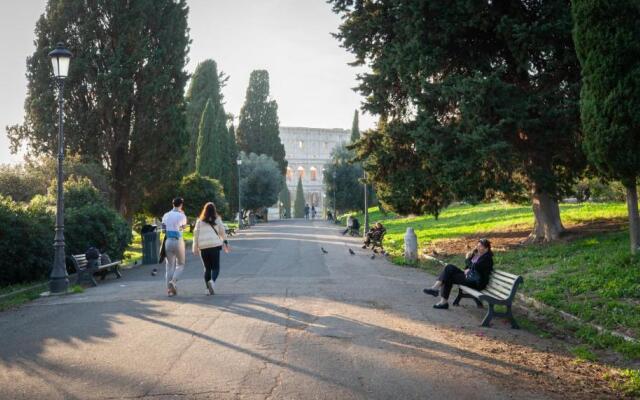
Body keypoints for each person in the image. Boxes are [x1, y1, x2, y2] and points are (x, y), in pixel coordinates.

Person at [423, 238, 494, 309]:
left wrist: (467, 259)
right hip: (470, 276)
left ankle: (441, 299)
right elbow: (470, 266)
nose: (478, 247)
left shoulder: (487, 258)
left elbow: (475, 267)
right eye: (477, 245)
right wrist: (469, 262)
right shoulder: (477, 255)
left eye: (480, 246)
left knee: (449, 276)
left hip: (476, 282)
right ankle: (436, 291)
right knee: (449, 267)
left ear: (486, 249)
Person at [192, 202, 230, 295]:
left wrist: (195, 247)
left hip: (203, 247)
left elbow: (195, 235)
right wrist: (225, 241)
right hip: (214, 246)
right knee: (216, 268)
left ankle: (207, 289)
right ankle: (212, 282)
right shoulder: (217, 219)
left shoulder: (199, 221)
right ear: (214, 210)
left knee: (207, 268)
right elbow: (222, 231)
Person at [162, 197, 188, 296]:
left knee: (169, 266)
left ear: (173, 204)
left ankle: (169, 291)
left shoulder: (166, 215)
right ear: (181, 205)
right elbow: (183, 228)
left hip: (168, 241)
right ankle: (173, 281)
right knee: (181, 264)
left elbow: (163, 230)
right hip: (178, 241)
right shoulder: (182, 215)